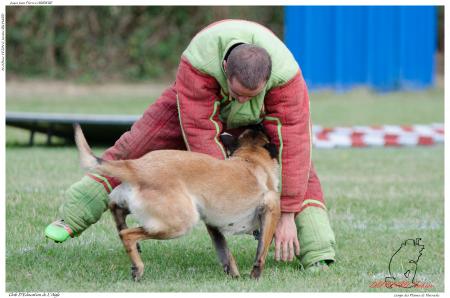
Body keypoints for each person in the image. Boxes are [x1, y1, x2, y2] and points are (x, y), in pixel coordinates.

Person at [45, 19, 336, 270]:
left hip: (258, 124)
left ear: (268, 81)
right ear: (224, 69)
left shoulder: (287, 80)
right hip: (187, 106)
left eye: (252, 95)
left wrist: (286, 214)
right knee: (133, 146)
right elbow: (202, 138)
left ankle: (318, 249)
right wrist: (223, 196)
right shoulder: (199, 64)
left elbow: (295, 145)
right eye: (238, 93)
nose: (243, 101)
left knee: (301, 168)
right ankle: (72, 216)